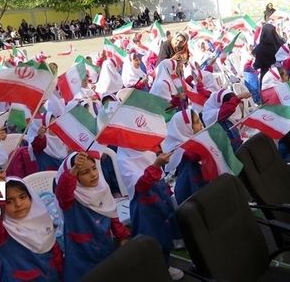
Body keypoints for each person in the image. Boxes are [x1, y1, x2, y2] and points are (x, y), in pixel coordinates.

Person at [56, 151, 130, 280]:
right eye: (85, 172)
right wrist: (73, 170)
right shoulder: (71, 198)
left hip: (104, 244)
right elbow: (63, 191)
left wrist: (122, 236)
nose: (93, 174)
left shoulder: (102, 188)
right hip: (82, 253)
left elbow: (111, 213)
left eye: (94, 168)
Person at [0, 171, 63, 281]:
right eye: (9, 201)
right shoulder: (2, 233)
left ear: (31, 197)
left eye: (23, 197)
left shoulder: (41, 218)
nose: (18, 204)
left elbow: (53, 250)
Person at [117, 147, 184, 280]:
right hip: (145, 210)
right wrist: (156, 165)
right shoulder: (124, 158)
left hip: (160, 201)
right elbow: (140, 185)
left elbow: (159, 178)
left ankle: (164, 265)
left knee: (165, 236)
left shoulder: (146, 151)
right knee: (151, 240)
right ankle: (155, 270)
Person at [162, 109, 207, 204]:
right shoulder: (184, 151)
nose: (201, 125)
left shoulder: (183, 147)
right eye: (197, 122)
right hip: (195, 198)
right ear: (185, 128)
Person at [252, 23, 284, 88]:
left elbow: (257, 65)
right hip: (282, 73)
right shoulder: (281, 43)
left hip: (267, 76)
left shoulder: (260, 48)